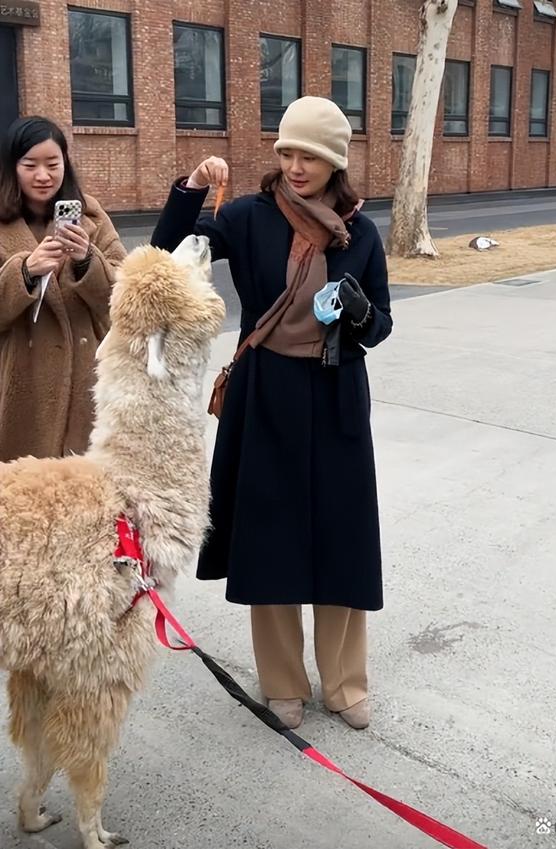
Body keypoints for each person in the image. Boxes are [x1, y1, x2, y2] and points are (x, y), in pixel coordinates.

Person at [152, 96, 392, 731]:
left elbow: (382, 324)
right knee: (273, 541)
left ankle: (344, 684)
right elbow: (168, 253)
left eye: (308, 155)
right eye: (286, 152)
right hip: (265, 397)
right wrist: (191, 190)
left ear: (334, 161)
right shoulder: (250, 216)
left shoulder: (361, 231)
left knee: (342, 542)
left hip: (337, 394)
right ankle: (283, 683)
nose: (294, 166)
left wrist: (360, 311)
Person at [0, 116, 126, 462]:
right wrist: (24, 272)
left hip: (88, 383)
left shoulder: (92, 218)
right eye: (30, 165)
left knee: (84, 494)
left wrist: (87, 259)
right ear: (13, 167)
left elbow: (124, 296)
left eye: (52, 164)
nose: (43, 176)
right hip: (19, 382)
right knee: (23, 497)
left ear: (65, 165)